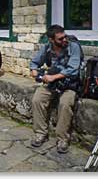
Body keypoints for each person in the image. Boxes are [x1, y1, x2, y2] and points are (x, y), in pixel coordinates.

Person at [30, 24, 82, 154]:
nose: (64, 40)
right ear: (51, 40)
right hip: (52, 83)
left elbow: (73, 69)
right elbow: (34, 62)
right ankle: (40, 133)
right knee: (37, 99)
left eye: (65, 37)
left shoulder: (74, 47)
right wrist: (34, 71)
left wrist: (54, 77)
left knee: (65, 104)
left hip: (69, 83)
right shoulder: (47, 48)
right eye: (60, 39)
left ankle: (62, 138)